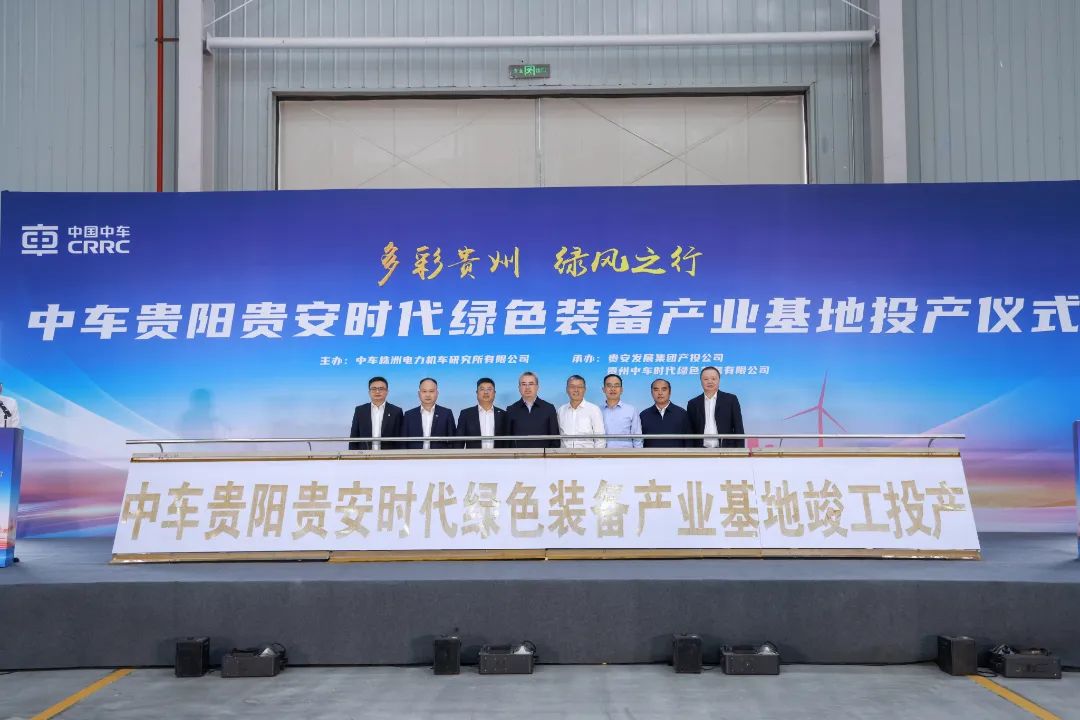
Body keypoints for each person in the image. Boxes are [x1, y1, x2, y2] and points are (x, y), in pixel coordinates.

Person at [687, 366, 745, 448]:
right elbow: (690, 431)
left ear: (719, 380)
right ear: (701, 381)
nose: (710, 381)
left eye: (713, 379)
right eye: (706, 379)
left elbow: (738, 428)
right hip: (700, 450)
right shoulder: (693, 403)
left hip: (726, 449)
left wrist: (740, 451)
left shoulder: (731, 400)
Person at [505, 371, 560, 449]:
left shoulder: (549, 408)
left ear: (537, 387)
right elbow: (507, 441)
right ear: (519, 388)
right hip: (518, 456)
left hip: (543, 456)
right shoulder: (511, 410)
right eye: (524, 384)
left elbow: (555, 440)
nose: (527, 387)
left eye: (531, 384)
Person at [349, 376, 403, 450]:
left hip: (389, 454)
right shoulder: (360, 410)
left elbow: (400, 438)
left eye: (381, 389)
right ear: (369, 392)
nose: (377, 391)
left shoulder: (396, 411)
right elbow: (354, 437)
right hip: (365, 454)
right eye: (374, 389)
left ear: (387, 392)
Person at [402, 378, 457, 449]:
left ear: (437, 393)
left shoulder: (446, 414)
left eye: (431, 391)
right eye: (424, 391)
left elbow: (452, 440)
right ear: (419, 394)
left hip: (439, 455)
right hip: (414, 455)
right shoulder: (409, 415)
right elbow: (403, 442)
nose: (427, 395)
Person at [456, 377, 508, 449]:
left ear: (494, 393)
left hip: (499, 455)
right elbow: (458, 442)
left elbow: (508, 441)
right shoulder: (466, 414)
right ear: (477, 393)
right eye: (482, 389)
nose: (486, 392)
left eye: (489, 389)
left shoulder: (504, 415)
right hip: (474, 455)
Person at [638, 378, 692, 448]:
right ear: (651, 393)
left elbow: (689, 441)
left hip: (676, 454)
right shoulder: (643, 415)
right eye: (656, 390)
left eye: (664, 389)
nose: (660, 393)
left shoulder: (682, 414)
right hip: (650, 454)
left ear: (670, 392)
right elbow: (639, 441)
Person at [557, 375, 606, 448]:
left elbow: (600, 439)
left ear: (584, 389)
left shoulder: (594, 409)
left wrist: (595, 455)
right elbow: (558, 436)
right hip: (565, 453)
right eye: (572, 386)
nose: (576, 390)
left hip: (587, 454)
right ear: (567, 389)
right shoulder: (561, 410)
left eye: (579, 387)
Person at [599, 373, 641, 448]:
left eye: (616, 385)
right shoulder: (597, 411)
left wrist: (638, 454)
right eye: (609, 385)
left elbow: (637, 437)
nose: (613, 389)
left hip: (625, 453)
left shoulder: (631, 410)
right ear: (603, 389)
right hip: (603, 453)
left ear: (621, 390)